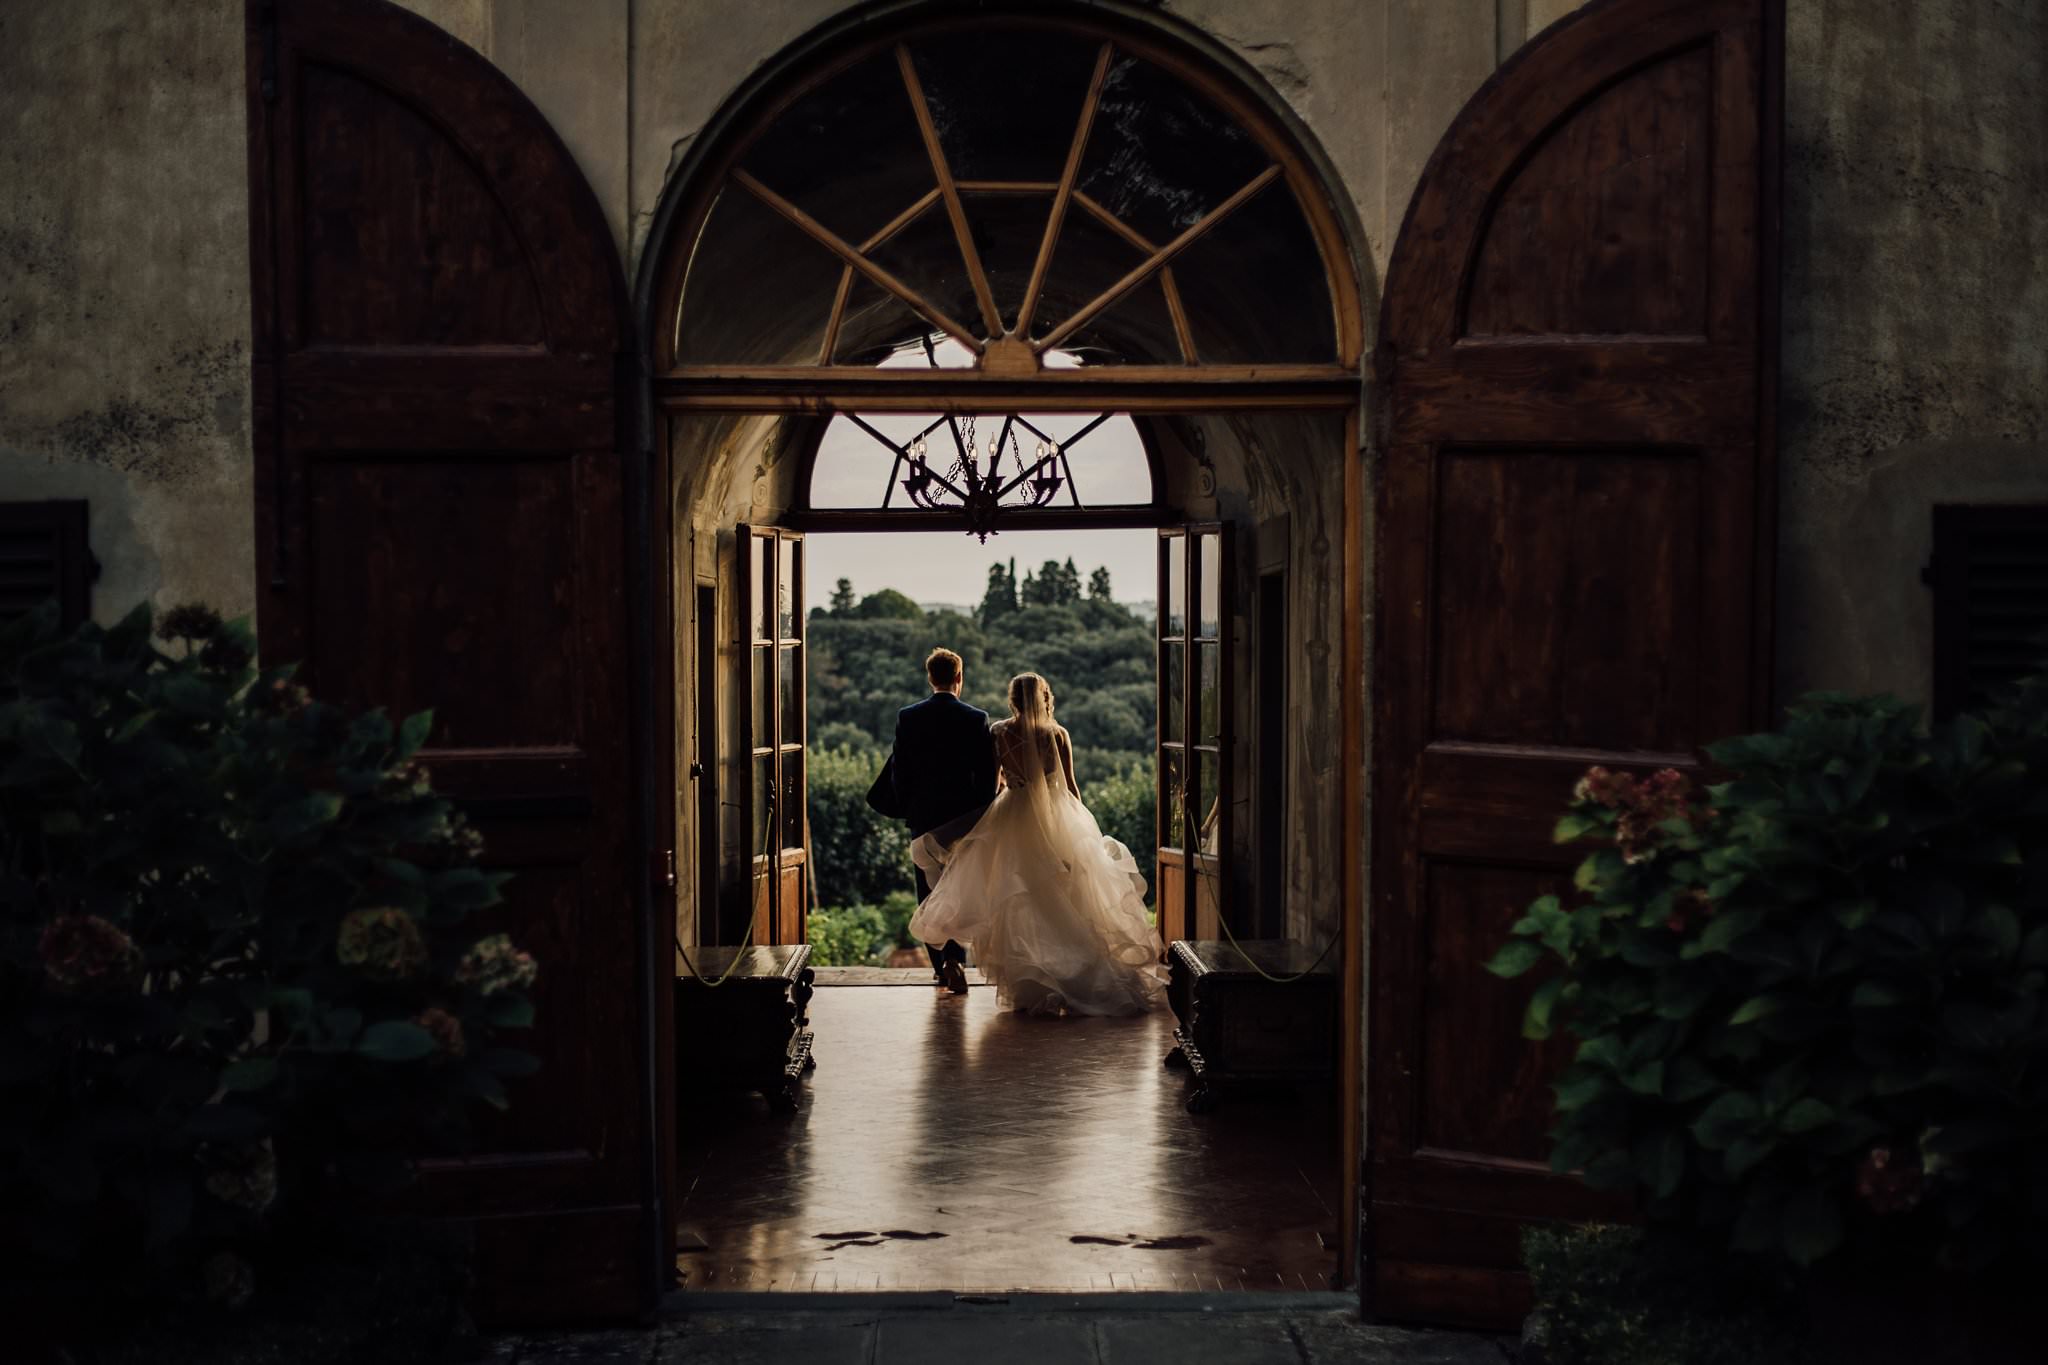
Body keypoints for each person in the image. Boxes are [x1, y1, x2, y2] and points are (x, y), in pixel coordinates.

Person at [909, 672, 1167, 1017]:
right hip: (1054, 817)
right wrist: (1084, 833)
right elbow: (1071, 787)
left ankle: (1028, 988)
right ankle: (1076, 978)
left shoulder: (999, 732)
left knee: (1017, 902)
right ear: (1045, 697)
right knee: (1068, 900)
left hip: (1011, 815)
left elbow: (990, 785)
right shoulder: (1057, 735)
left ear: (1013, 699)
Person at [885, 647, 996, 994]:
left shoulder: (908, 716)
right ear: (959, 677)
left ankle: (941, 966)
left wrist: (909, 809)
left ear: (930, 678)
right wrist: (982, 814)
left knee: (929, 893)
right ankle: (956, 960)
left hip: (924, 819)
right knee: (959, 890)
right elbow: (988, 776)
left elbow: (899, 771)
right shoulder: (976, 718)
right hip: (964, 821)